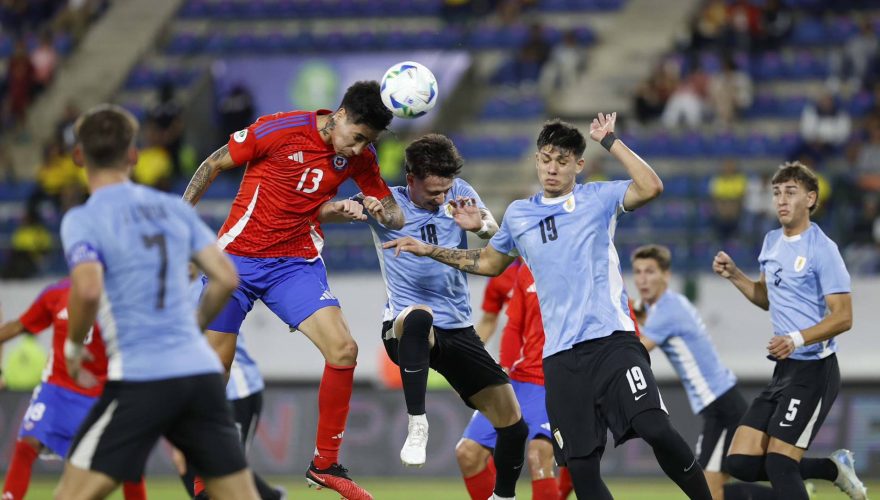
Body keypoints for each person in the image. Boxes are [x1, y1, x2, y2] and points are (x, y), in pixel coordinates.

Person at [385, 115, 713, 500]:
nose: (552, 168)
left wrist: (610, 141)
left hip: (613, 343)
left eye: (562, 160)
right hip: (559, 361)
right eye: (545, 159)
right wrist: (432, 249)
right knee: (582, 467)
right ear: (537, 161)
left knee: (656, 428)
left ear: (579, 164)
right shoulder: (520, 215)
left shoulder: (598, 198)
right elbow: (489, 263)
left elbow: (651, 186)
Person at [182, 80, 404, 500]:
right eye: (357, 138)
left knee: (344, 350)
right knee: (216, 371)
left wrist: (381, 209)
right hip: (237, 261)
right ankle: (204, 474)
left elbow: (395, 217)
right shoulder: (278, 130)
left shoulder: (360, 157)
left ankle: (325, 465)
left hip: (294, 264)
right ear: (339, 114)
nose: (358, 151)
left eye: (367, 143)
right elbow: (212, 164)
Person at [55, 104, 258, 500]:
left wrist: (73, 346)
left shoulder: (82, 219)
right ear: (133, 155)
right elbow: (225, 277)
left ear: (78, 156)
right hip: (200, 374)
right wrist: (194, 326)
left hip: (141, 375)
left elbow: (88, 289)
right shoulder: (170, 208)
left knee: (71, 494)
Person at [342, 133, 527, 500]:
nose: (441, 198)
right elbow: (331, 211)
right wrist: (349, 207)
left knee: (514, 426)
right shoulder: (387, 204)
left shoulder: (459, 191)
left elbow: (497, 237)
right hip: (404, 327)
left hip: (457, 328)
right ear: (411, 179)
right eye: (433, 192)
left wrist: (480, 227)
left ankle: (502, 497)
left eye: (445, 189)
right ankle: (417, 424)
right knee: (419, 317)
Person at [713, 162, 868, 500]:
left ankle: (825, 473)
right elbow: (765, 297)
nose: (781, 200)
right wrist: (736, 275)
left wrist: (796, 338)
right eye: (777, 193)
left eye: (791, 192)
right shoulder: (771, 242)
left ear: (811, 199)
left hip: (814, 371)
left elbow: (844, 317)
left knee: (781, 464)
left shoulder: (822, 249)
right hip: (783, 369)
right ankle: (831, 469)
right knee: (739, 462)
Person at [631, 244, 775, 500]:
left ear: (665, 275)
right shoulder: (668, 305)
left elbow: (638, 350)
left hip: (722, 406)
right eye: (638, 272)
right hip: (720, 403)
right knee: (712, 490)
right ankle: (789, 493)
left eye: (650, 271)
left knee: (707, 489)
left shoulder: (667, 312)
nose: (642, 279)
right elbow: (643, 315)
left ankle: (791, 492)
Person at [0, 279, 147, 500]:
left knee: (127, 463)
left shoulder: (121, 296)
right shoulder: (55, 293)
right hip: (57, 388)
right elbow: (19, 325)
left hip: (102, 394)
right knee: (26, 442)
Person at [456, 262, 561, 500]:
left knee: (540, 454)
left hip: (555, 378)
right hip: (517, 377)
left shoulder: (567, 260)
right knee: (468, 453)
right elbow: (502, 323)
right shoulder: (512, 272)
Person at [178, 274, 284, 500]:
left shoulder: (202, 288)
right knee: (196, 463)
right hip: (204, 389)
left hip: (237, 389)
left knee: (226, 470)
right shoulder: (176, 289)